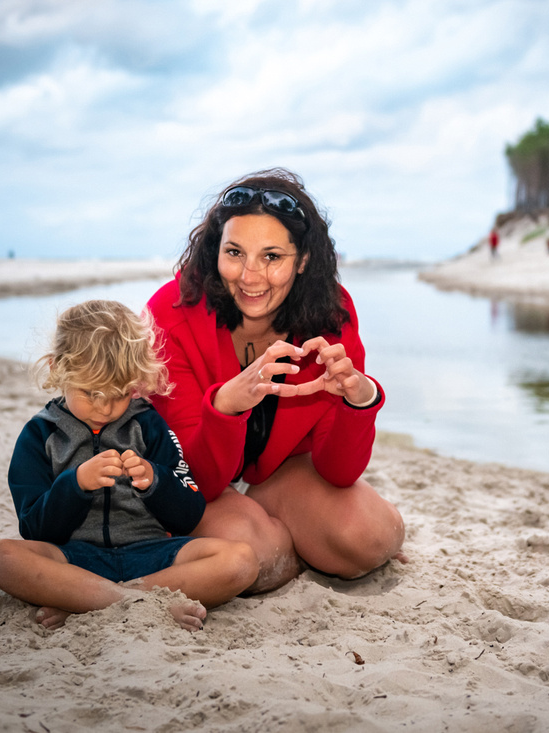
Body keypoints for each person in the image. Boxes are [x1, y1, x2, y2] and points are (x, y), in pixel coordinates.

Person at [146, 168, 406, 595]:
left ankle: (285, 531)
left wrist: (361, 400)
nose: (249, 276)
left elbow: (338, 472)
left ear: (302, 259)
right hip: (190, 481)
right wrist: (226, 406)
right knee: (259, 555)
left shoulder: (332, 315)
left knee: (371, 537)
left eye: (272, 257)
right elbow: (199, 479)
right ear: (215, 251)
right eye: (234, 252)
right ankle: (288, 541)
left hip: (279, 474)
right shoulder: (171, 313)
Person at [0, 300, 258, 631]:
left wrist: (155, 481)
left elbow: (189, 513)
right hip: (75, 560)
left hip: (152, 558)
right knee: (2, 558)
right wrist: (77, 485)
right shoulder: (39, 435)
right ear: (59, 369)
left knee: (241, 561)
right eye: (91, 392)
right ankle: (137, 604)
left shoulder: (149, 424)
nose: (105, 407)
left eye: (120, 393)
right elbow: (34, 528)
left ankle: (92, 602)